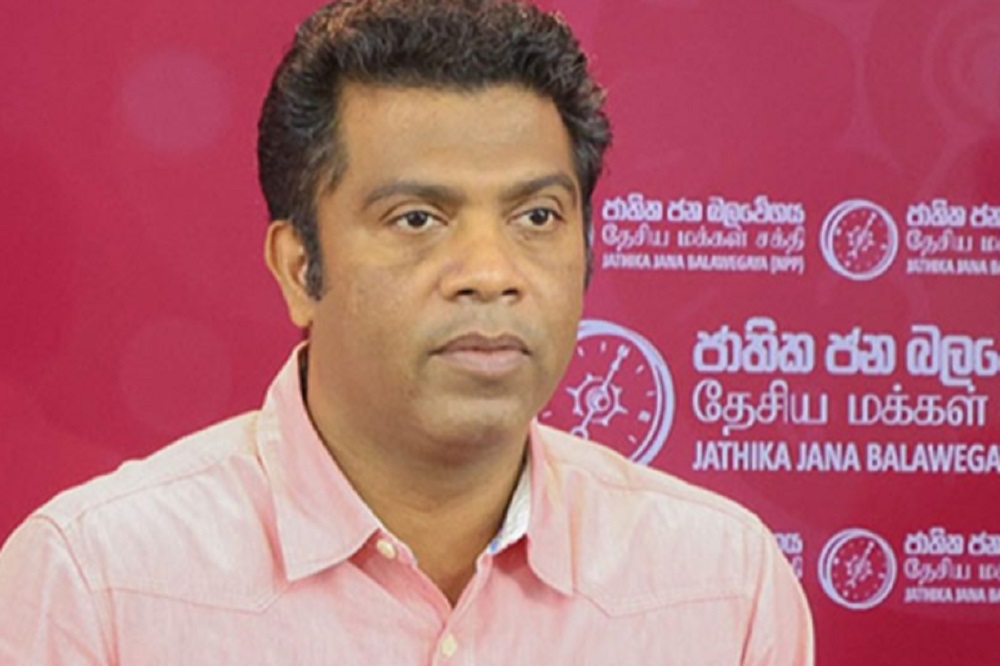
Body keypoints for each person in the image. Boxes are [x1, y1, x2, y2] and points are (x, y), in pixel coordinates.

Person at [0, 0, 814, 663]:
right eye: (418, 218)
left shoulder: (722, 586)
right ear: (299, 268)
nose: (490, 273)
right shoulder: (97, 583)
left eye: (537, 216)